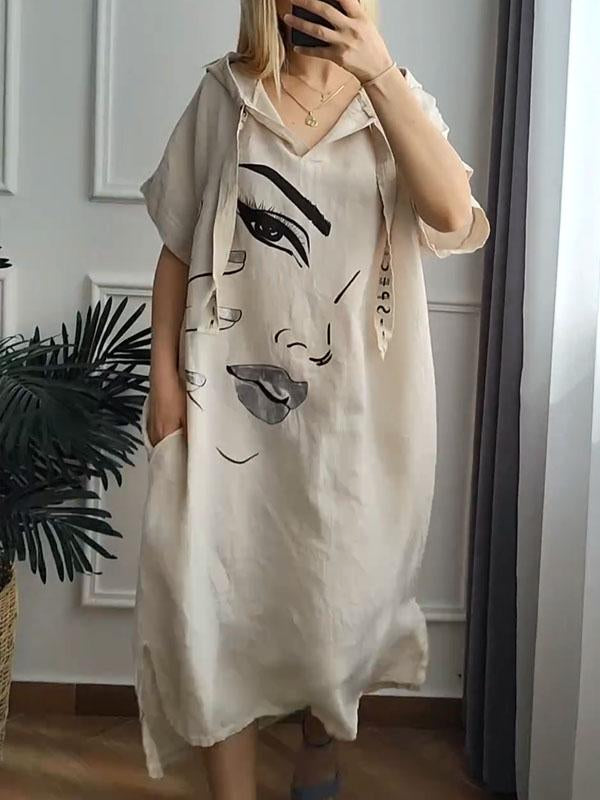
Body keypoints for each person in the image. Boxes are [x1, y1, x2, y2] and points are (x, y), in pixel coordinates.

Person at [132, 1, 490, 798]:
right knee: (213, 598)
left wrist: (379, 73)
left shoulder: (395, 101)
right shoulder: (225, 96)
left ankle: (320, 743)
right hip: (225, 403)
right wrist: (163, 380)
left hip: (355, 422)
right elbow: (176, 246)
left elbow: (452, 215)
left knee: (335, 607)